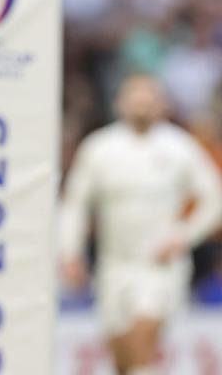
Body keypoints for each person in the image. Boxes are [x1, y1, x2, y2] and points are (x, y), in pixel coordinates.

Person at [59, 74, 222, 375]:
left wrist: (182, 236)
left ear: (162, 105)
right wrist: (70, 252)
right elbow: (76, 204)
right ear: (119, 102)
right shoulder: (99, 148)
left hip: (159, 264)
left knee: (143, 336)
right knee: (123, 357)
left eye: (149, 98)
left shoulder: (179, 147)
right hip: (114, 265)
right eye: (136, 97)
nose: (142, 105)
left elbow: (214, 200)